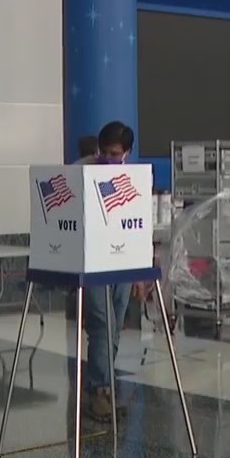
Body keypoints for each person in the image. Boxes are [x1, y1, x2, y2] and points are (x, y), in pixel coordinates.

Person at [73, 121, 136, 422]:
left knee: (116, 323)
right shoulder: (82, 171)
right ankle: (98, 390)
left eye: (116, 153)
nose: (109, 158)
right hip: (92, 260)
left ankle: (103, 387)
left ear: (127, 153)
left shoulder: (131, 178)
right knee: (101, 323)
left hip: (122, 259)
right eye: (105, 152)